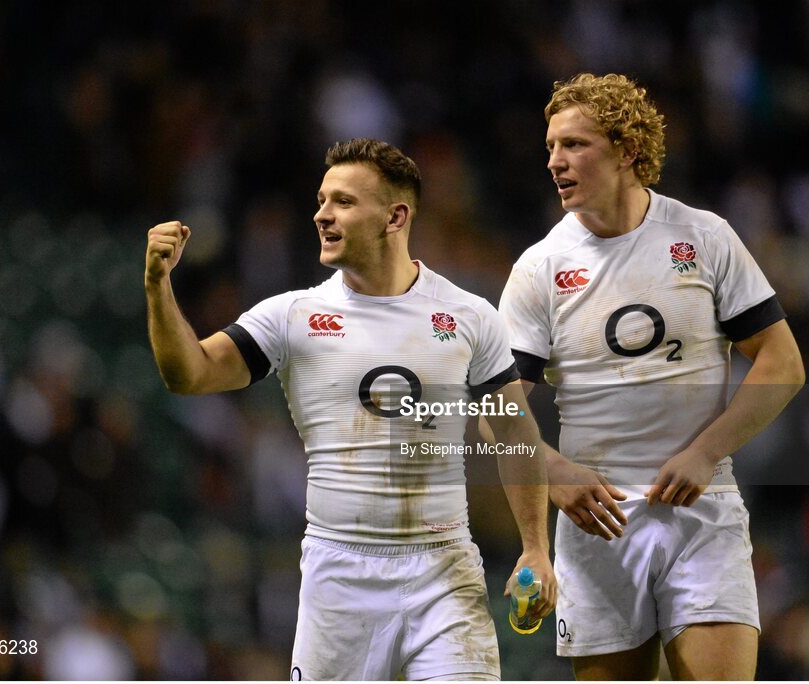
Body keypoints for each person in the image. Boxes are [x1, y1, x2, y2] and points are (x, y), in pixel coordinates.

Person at [145, 138, 557, 681]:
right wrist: (157, 287)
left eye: (342, 201)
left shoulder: (468, 315)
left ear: (395, 216)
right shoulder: (293, 316)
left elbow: (512, 433)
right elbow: (189, 373)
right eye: (321, 200)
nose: (321, 214)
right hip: (339, 576)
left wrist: (535, 547)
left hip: (444, 568)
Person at [497, 73, 805, 680]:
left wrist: (706, 452)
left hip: (702, 512)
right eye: (551, 147)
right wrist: (554, 472)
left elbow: (782, 360)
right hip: (598, 522)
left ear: (628, 150)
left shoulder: (702, 236)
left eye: (575, 145)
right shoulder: (540, 268)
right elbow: (495, 404)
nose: (556, 161)